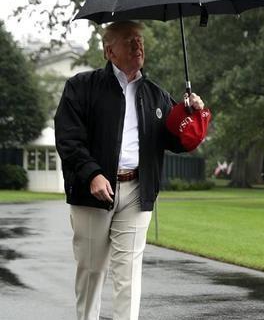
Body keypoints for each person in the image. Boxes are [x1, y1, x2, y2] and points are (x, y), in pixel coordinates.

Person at [54, 20, 206, 320]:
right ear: (109, 51)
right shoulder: (81, 87)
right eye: (129, 40)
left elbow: (178, 141)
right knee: (91, 272)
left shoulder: (156, 95)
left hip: (138, 191)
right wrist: (92, 173)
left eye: (140, 40)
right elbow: (68, 139)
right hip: (92, 193)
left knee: (129, 274)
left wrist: (193, 113)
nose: (138, 45)